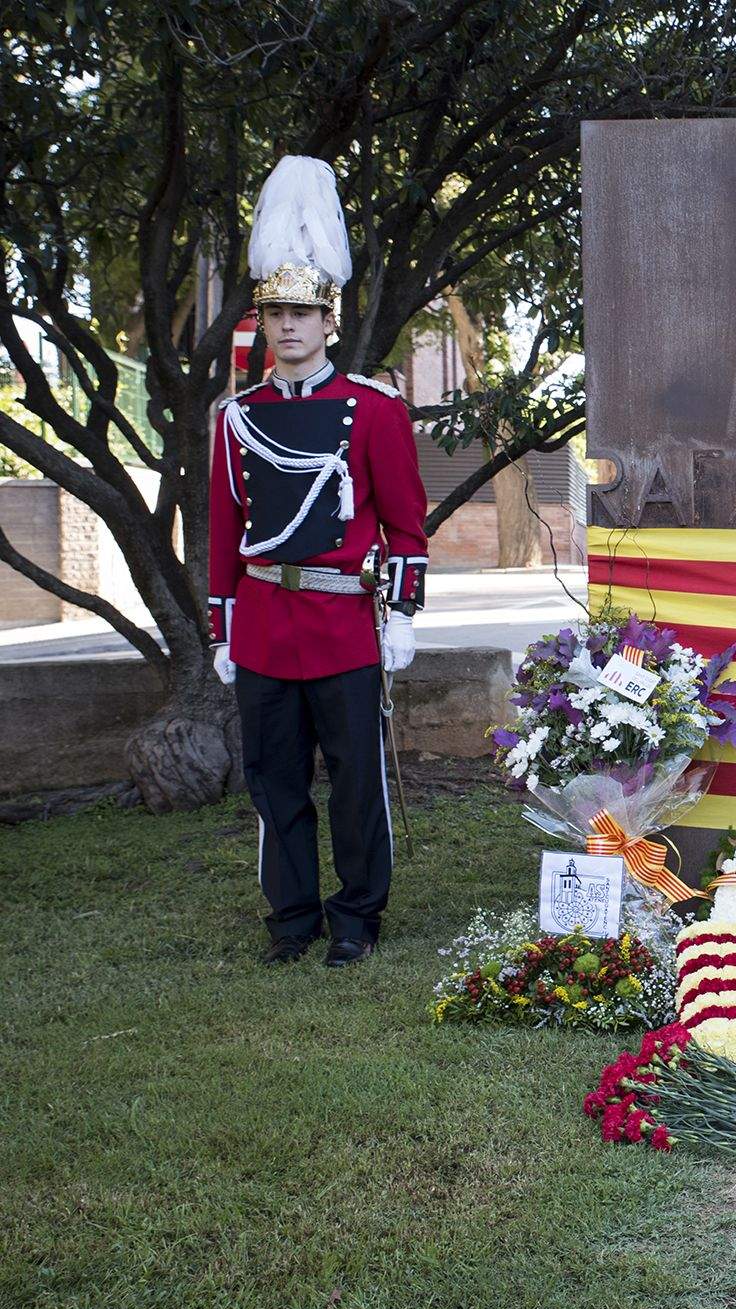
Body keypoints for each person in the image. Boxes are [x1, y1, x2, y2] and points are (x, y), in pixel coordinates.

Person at [208, 156, 429, 968]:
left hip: (342, 623)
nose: (289, 327)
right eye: (275, 313)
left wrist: (402, 611)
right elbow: (223, 530)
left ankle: (357, 918)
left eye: (302, 313)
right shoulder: (236, 419)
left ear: (328, 319)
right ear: (262, 322)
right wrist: (221, 629)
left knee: (356, 783)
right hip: (265, 624)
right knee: (274, 785)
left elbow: (407, 526)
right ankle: (291, 918)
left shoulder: (371, 412)